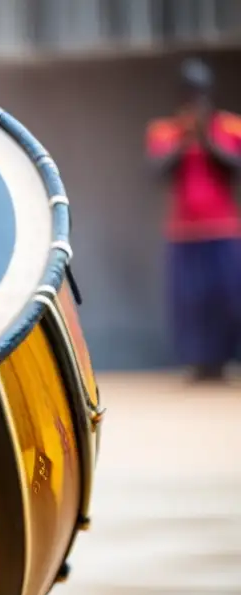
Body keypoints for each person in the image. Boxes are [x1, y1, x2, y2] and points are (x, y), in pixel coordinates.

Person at [147, 58, 241, 382]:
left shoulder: (230, 126)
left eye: (199, 92)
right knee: (190, 302)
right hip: (183, 233)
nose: (194, 99)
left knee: (227, 297)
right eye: (189, 92)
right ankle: (198, 364)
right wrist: (185, 139)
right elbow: (157, 173)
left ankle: (224, 362)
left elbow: (234, 168)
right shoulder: (165, 131)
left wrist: (208, 139)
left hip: (223, 229)